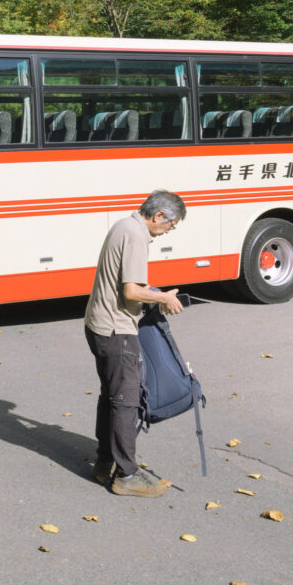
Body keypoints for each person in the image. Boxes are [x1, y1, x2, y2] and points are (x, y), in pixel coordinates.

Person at [85, 189, 187, 498]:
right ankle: (127, 475)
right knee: (125, 402)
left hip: (99, 324)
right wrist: (163, 297)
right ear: (159, 216)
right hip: (116, 330)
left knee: (111, 397)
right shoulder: (136, 235)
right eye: (171, 225)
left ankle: (105, 462)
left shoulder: (123, 224)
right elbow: (131, 291)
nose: (168, 231)